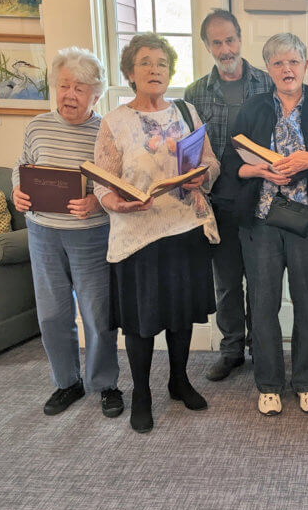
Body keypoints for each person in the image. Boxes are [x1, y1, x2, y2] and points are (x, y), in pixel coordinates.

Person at [94, 33, 221, 433]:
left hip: (184, 227)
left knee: (181, 316)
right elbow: (101, 181)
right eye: (145, 63)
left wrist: (203, 176)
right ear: (130, 72)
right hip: (137, 235)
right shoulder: (115, 122)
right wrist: (115, 203)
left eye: (162, 63)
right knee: (141, 321)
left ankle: (179, 380)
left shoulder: (186, 111)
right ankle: (142, 394)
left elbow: (210, 161)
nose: (154, 70)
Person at [226, 32, 308, 416]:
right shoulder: (252, 109)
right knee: (262, 303)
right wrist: (259, 169)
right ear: (268, 69)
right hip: (261, 222)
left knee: (307, 302)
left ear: (305, 66)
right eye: (278, 63)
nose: (287, 69)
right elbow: (232, 167)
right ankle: (269, 383)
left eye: (293, 62)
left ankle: (307, 381)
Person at [12, 47, 123, 418]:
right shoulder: (37, 126)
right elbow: (21, 167)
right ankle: (66, 382)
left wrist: (95, 202)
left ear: (96, 94)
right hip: (42, 233)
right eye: (63, 86)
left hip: (90, 235)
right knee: (52, 314)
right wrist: (18, 191)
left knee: (97, 315)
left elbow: (114, 184)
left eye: (79, 88)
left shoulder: (105, 131)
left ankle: (105, 383)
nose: (69, 95)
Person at [185, 9, 273, 382]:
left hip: (263, 199)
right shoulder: (194, 93)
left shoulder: (268, 84)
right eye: (217, 42)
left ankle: (263, 348)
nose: (225, 49)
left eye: (230, 39)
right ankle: (232, 348)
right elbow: (188, 150)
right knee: (226, 281)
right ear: (207, 46)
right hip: (218, 202)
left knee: (262, 278)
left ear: (241, 39)